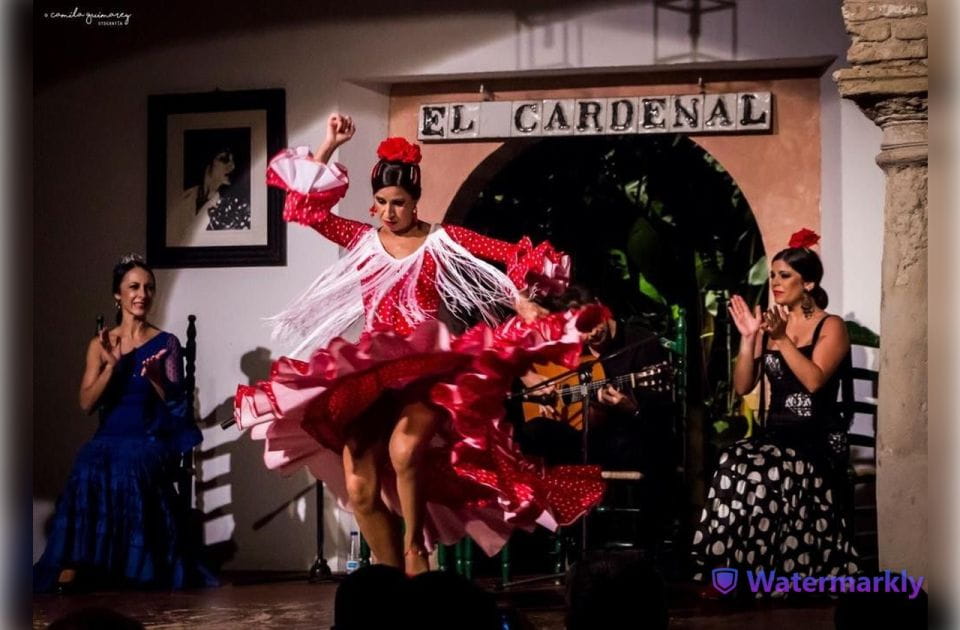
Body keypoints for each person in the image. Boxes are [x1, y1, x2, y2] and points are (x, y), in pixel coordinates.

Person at [235, 114, 604, 575]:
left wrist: (522, 300)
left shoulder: (442, 239)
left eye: (399, 203)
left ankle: (416, 551)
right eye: (381, 202)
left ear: (415, 202)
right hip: (372, 374)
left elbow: (506, 254)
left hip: (426, 371)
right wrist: (329, 144)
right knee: (361, 487)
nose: (389, 212)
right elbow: (305, 209)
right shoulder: (363, 239)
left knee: (405, 450)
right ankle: (394, 579)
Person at [33, 254, 216, 593]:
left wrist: (156, 376)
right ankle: (75, 562)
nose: (142, 294)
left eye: (148, 288)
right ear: (118, 294)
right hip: (110, 436)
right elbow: (86, 403)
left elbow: (177, 409)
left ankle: (133, 566)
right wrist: (111, 366)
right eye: (134, 287)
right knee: (87, 462)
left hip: (150, 437)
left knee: (129, 465)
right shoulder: (100, 344)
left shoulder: (167, 343)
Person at [691, 229, 858, 591]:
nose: (776, 283)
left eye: (785, 275)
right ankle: (737, 570)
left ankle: (782, 569)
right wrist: (750, 337)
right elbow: (742, 386)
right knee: (733, 458)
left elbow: (814, 381)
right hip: (778, 436)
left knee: (763, 467)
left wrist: (781, 339)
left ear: (808, 283)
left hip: (818, 437)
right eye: (773, 275)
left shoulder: (831, 326)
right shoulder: (772, 326)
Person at [168, 145, 251, 246]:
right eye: (224, 159)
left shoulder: (232, 207)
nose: (232, 166)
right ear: (208, 161)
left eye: (233, 161)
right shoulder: (184, 197)